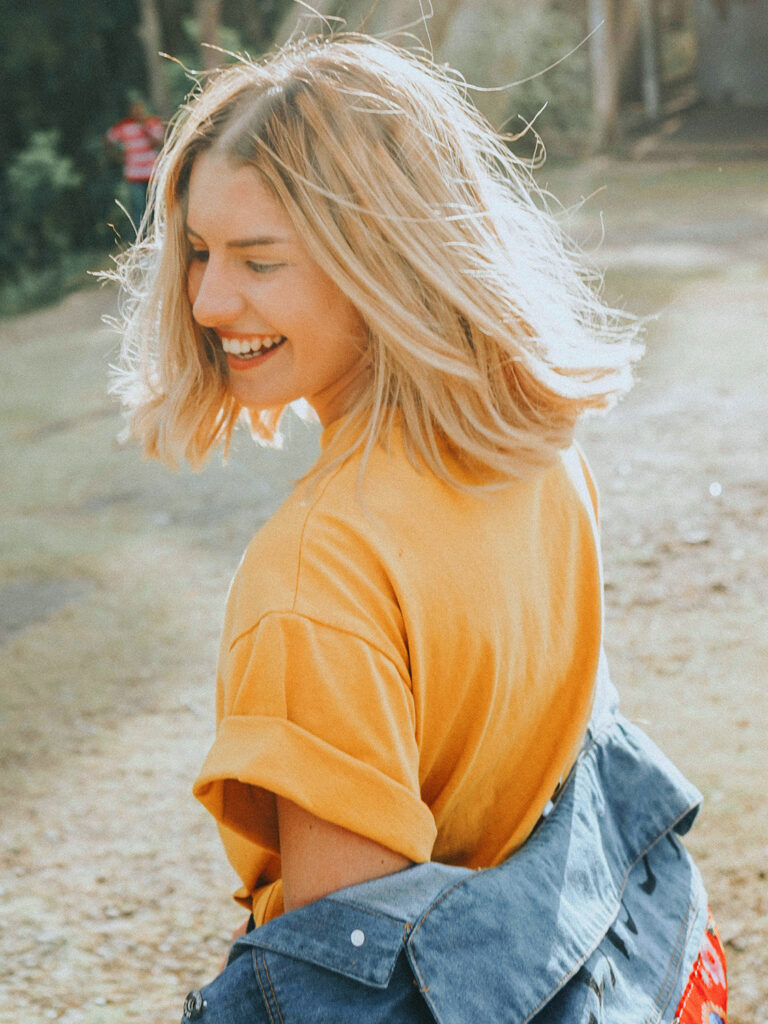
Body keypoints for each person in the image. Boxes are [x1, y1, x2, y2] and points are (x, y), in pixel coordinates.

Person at [109, 34, 728, 1024]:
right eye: (196, 250)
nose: (208, 300)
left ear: (379, 257)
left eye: (258, 260)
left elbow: (350, 985)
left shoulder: (318, 572)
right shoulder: (536, 449)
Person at [105, 98, 164, 230]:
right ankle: (141, 238)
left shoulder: (153, 123)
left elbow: (158, 143)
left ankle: (156, 235)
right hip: (134, 175)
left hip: (152, 174)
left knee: (155, 207)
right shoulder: (124, 126)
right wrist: (117, 156)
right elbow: (108, 139)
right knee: (138, 210)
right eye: (134, 108)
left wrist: (144, 127)